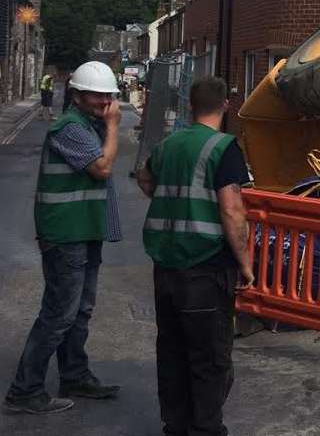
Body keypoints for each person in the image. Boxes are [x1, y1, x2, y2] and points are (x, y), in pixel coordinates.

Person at [4, 61, 123, 415]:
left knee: (80, 311)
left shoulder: (89, 124)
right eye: (96, 95)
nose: (104, 102)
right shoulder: (68, 128)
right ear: (76, 94)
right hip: (65, 235)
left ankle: (74, 375)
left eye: (108, 96)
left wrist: (105, 125)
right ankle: (25, 390)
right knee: (59, 314)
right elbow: (102, 168)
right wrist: (114, 126)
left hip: (85, 231)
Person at [136, 76, 253, 436]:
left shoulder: (169, 144)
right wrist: (247, 265)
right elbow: (232, 211)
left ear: (190, 104)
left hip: (166, 267)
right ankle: (205, 430)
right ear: (225, 106)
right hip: (205, 269)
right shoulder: (224, 147)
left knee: (171, 353)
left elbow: (145, 180)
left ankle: (176, 427)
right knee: (209, 359)